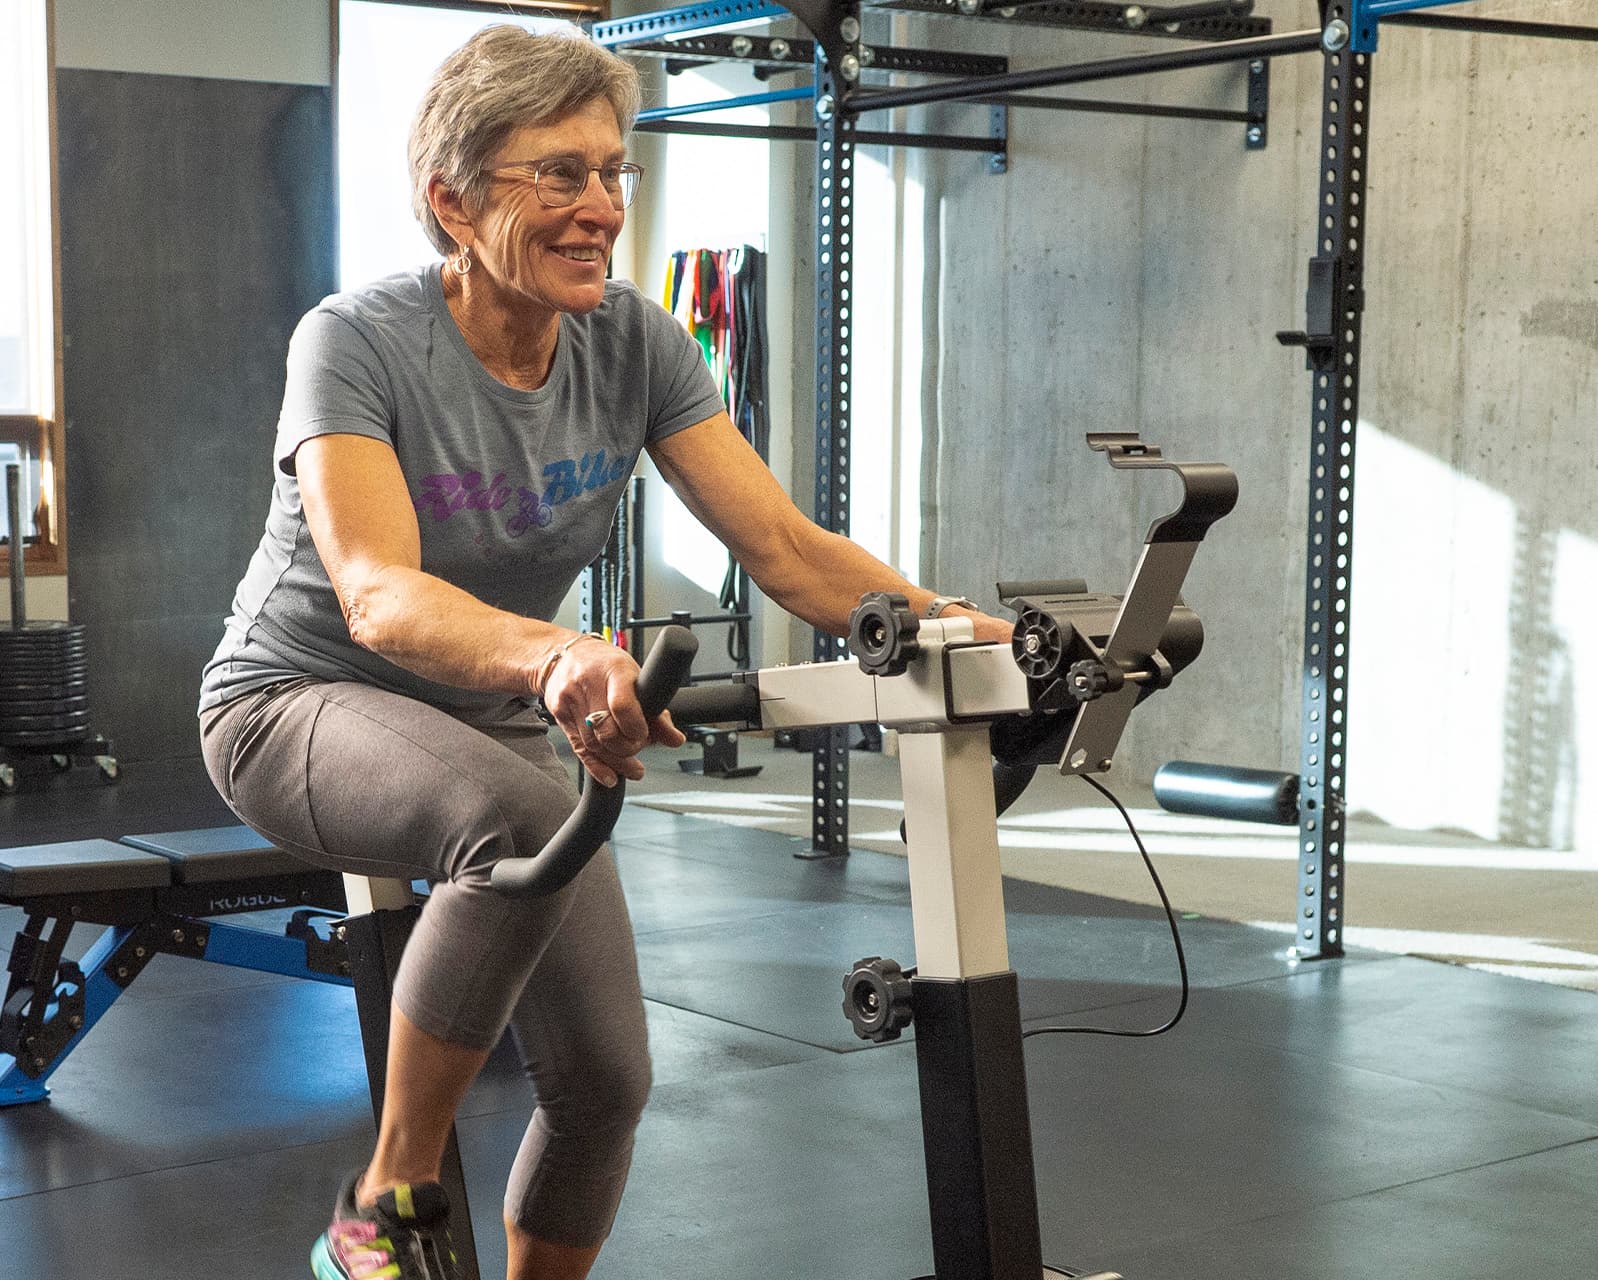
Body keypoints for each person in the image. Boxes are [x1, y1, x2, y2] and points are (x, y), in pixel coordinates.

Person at [199, 24, 1011, 1280]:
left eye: (612, 173)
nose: (598, 208)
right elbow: (373, 591)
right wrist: (557, 655)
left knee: (607, 1086)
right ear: (451, 201)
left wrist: (968, 631)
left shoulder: (635, 342)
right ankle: (388, 1197)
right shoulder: (354, 340)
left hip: (499, 725)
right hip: (298, 700)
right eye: (557, 175)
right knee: (513, 818)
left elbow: (786, 549)